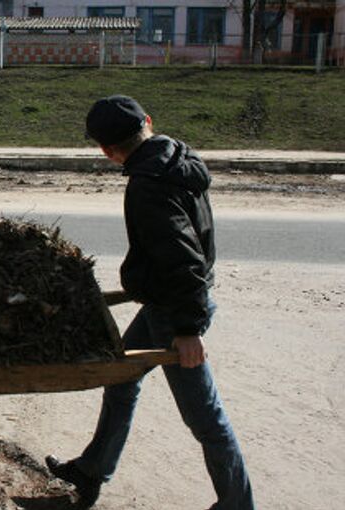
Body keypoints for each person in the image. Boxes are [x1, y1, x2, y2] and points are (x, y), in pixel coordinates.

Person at [45, 95, 254, 509]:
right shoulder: (178, 157)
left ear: (106, 151)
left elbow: (184, 259)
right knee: (121, 378)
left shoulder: (148, 186)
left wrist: (187, 331)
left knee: (205, 418)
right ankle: (92, 471)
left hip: (175, 313)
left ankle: (237, 505)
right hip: (165, 302)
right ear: (149, 122)